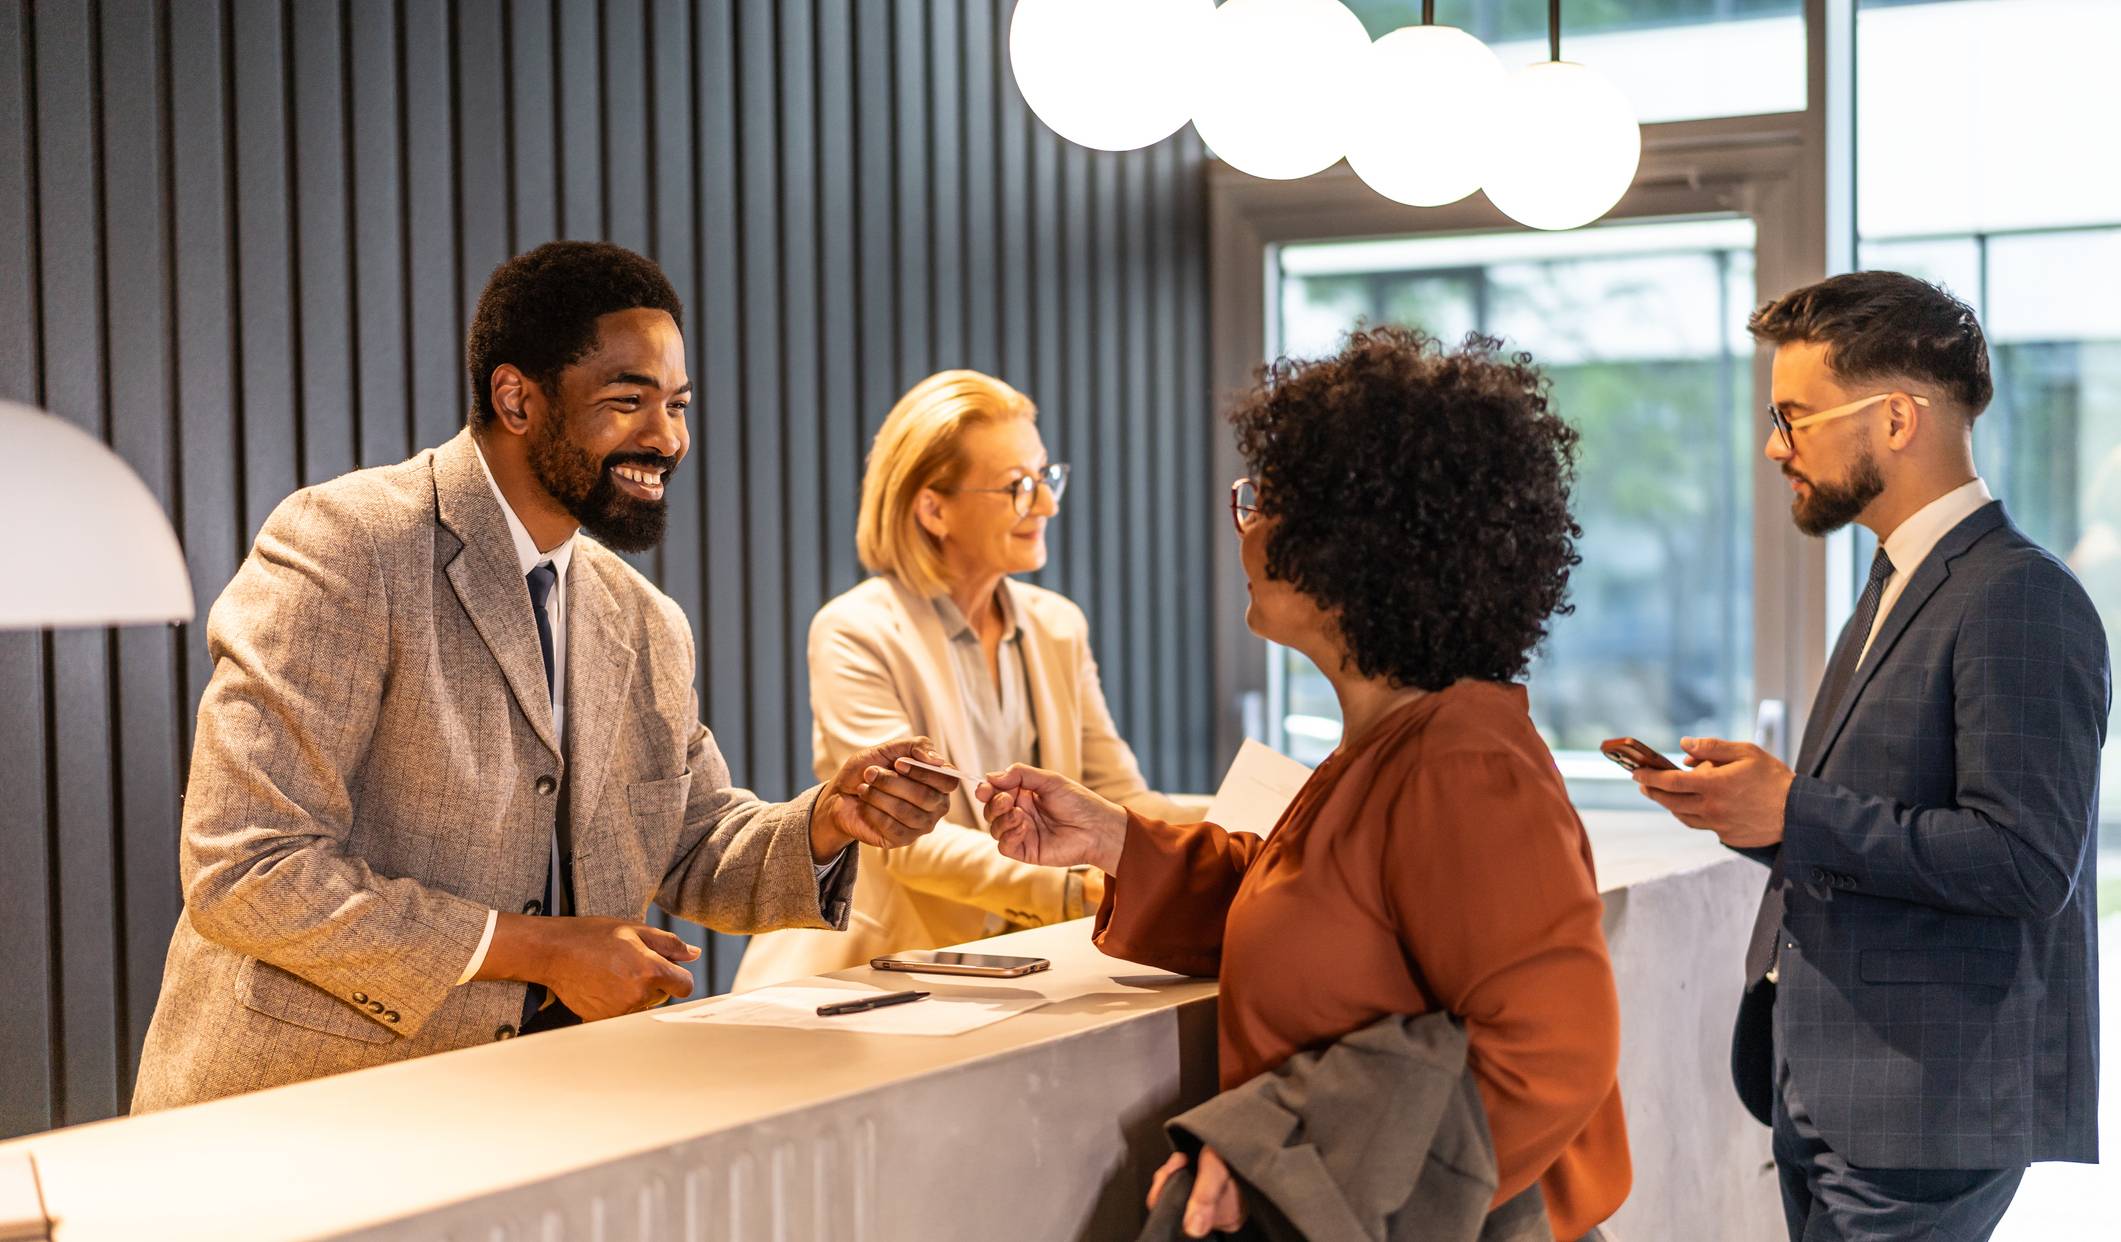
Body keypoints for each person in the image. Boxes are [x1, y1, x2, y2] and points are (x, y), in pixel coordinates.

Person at [133, 241, 958, 1111]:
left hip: (548, 1109)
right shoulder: (347, 544)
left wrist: (828, 821)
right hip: (302, 1115)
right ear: (516, 398)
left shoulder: (645, 622)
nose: (667, 438)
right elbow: (250, 868)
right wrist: (541, 950)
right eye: (627, 401)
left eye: (677, 404)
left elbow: (692, 840)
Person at [977, 328, 1631, 1241]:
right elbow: (1315, 911)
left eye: (1267, 499)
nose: (1245, 521)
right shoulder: (1393, 741)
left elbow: (1552, 1049)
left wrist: (1286, 1167)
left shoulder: (1459, 766)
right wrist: (1115, 840)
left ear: (1355, 546)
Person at [1630, 271, 2108, 1241]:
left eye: (1794, 415)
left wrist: (1794, 811)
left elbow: (2028, 861)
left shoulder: (2020, 597)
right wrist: (1757, 810)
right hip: (1831, 1086)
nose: (1775, 445)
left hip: (1923, 1115)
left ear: (1896, 417)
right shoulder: (1898, 577)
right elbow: (1883, 820)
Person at [734, 370, 1195, 988]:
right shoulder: (856, 630)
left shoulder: (1058, 626)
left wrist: (1214, 840)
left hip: (1031, 971)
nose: (1048, 505)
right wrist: (1075, 886)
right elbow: (903, 838)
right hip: (878, 982)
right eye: (1017, 487)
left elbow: (1118, 795)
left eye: (1046, 478)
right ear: (933, 508)